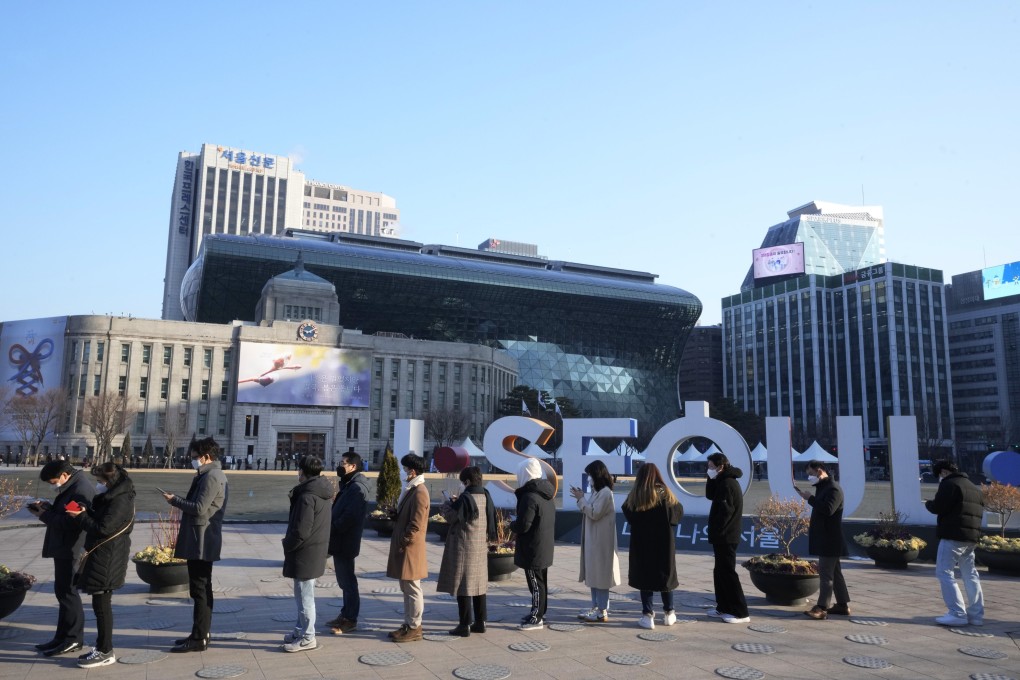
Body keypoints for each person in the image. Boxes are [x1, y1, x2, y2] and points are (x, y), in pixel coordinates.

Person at [65, 463, 136, 668]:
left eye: (100, 482)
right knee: (100, 603)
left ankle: (105, 650)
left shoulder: (121, 499)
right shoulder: (114, 496)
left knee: (102, 605)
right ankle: (102, 647)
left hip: (109, 556)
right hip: (104, 554)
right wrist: (86, 512)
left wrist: (82, 517)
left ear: (110, 481)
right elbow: (103, 520)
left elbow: (104, 528)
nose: (98, 485)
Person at [162, 437, 228, 652]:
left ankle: (199, 637)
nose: (192, 461)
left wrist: (175, 501)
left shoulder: (212, 476)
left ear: (206, 457)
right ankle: (200, 633)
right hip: (200, 537)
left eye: (194, 457)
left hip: (202, 539)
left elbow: (199, 508)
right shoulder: (209, 474)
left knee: (199, 588)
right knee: (201, 587)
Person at [28, 461, 95, 657]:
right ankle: (62, 636)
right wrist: (48, 508)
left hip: (72, 547)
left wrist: (44, 515)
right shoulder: (72, 485)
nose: (53, 485)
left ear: (65, 474)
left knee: (68, 593)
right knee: (62, 592)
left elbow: (72, 522)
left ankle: (73, 639)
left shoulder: (81, 488)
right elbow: (66, 512)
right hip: (65, 547)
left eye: (54, 481)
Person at [280, 456, 333, 652]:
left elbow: (302, 530)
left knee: (304, 596)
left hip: (305, 551)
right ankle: (300, 630)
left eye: (299, 469)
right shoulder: (322, 491)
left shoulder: (307, 496)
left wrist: (288, 544)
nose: (298, 473)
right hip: (315, 549)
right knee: (304, 594)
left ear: (304, 471)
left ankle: (308, 636)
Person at [437, 466, 495, 636]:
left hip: (464, 546)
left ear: (468, 481)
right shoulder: (485, 494)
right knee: (479, 586)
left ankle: (464, 625)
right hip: (479, 546)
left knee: (463, 586)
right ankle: (480, 622)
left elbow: (452, 517)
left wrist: (447, 503)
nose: (462, 485)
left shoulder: (466, 498)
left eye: (463, 482)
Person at [622, 463, 682, 629]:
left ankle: (647, 615)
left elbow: (628, 514)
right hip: (664, 543)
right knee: (666, 576)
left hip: (642, 543)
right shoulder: (665, 492)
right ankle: (669, 613)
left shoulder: (636, 494)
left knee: (645, 578)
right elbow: (676, 515)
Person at [925, 459, 984, 626]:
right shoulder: (974, 488)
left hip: (952, 535)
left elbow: (938, 507)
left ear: (943, 472)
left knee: (944, 572)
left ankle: (957, 613)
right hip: (971, 537)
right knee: (970, 574)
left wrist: (928, 504)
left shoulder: (949, 484)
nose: (940, 478)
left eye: (939, 475)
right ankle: (976, 615)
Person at [795, 460, 850, 619]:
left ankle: (821, 608)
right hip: (827, 538)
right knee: (836, 573)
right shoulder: (824, 488)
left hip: (830, 539)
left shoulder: (833, 489)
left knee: (827, 574)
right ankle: (842, 605)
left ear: (819, 471)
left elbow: (828, 509)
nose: (810, 477)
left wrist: (810, 499)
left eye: (811, 474)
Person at [386, 453, 430, 642]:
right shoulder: (413, 489)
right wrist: (396, 515)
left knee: (412, 588)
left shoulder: (420, 492)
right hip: (406, 546)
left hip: (410, 548)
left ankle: (415, 627)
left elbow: (416, 524)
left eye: (405, 468)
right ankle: (409, 623)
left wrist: (404, 540)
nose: (403, 471)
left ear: (412, 471)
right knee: (406, 587)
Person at [570, 459, 620, 623]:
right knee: (593, 575)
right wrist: (582, 498)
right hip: (594, 541)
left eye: (590, 475)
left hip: (601, 543)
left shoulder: (606, 493)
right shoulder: (597, 492)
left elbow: (594, 513)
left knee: (601, 576)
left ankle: (602, 610)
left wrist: (581, 499)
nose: (588, 478)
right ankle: (595, 606)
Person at [510, 457, 556, 631]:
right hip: (543, 545)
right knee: (541, 582)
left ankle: (537, 618)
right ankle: (539, 612)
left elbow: (524, 525)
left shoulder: (529, 496)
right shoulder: (546, 494)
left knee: (535, 584)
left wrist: (512, 524)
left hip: (532, 547)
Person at [326, 450, 369, 635]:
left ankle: (350, 619)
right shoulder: (349, 484)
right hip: (341, 540)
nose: (340, 466)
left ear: (353, 466)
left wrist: (333, 527)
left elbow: (350, 516)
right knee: (344, 581)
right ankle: (345, 614)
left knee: (348, 581)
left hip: (345, 541)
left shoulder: (357, 487)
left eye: (344, 463)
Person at [705, 452, 750, 624]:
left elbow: (725, 514)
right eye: (708, 467)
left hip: (727, 536)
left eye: (711, 467)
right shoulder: (721, 482)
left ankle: (740, 611)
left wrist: (717, 531)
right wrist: (710, 478)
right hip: (721, 536)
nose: (709, 470)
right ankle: (723, 607)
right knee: (720, 572)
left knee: (728, 573)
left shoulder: (728, 484)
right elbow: (710, 495)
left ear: (720, 466)